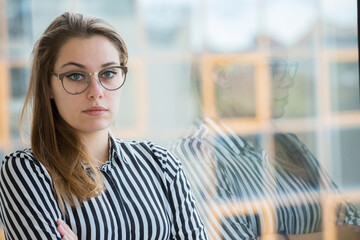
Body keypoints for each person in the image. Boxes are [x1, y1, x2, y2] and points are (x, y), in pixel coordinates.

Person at [0, 12, 208, 240]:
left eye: (108, 73)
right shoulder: (26, 173)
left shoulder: (161, 164)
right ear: (48, 85)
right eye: (76, 76)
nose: (96, 92)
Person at [171, 57, 360, 239]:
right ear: (221, 75)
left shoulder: (288, 144)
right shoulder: (192, 155)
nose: (288, 81)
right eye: (274, 68)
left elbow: (355, 226)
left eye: (288, 68)